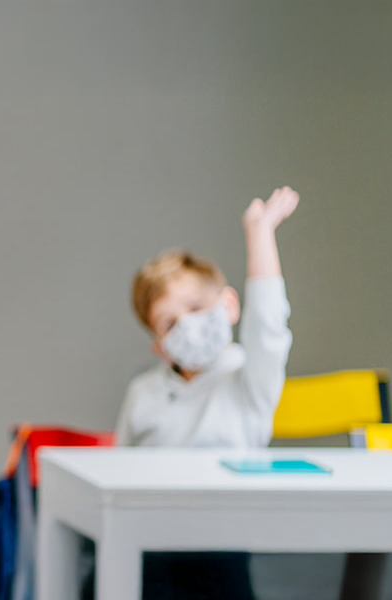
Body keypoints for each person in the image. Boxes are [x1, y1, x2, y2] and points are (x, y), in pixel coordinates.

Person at [113, 186, 299, 599]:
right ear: (158, 344)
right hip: (147, 546)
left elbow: (268, 328)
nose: (188, 326)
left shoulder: (249, 379)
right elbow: (118, 470)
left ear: (229, 305)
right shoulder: (143, 392)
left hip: (221, 546)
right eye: (169, 322)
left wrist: (260, 231)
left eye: (196, 307)